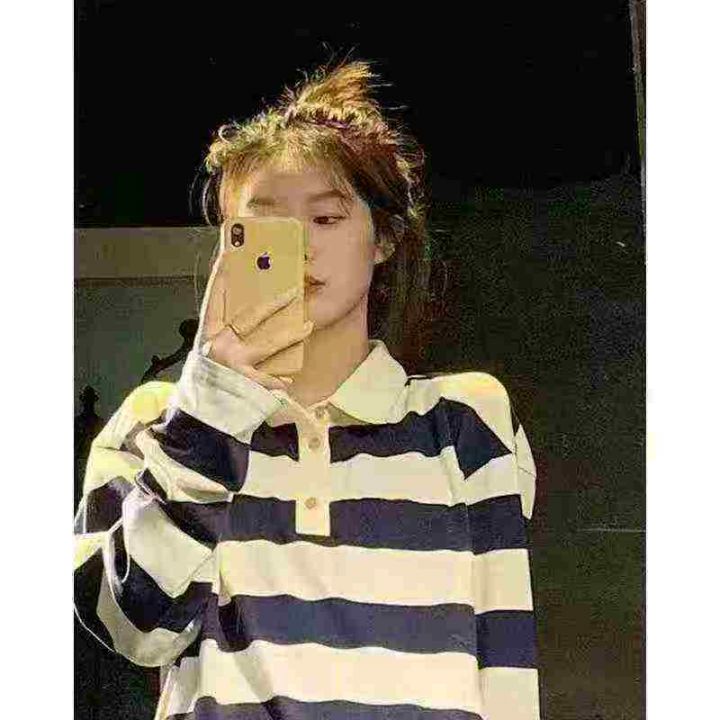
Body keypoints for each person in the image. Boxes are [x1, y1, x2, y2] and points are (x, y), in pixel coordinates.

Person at [74, 59, 540, 720]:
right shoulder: (156, 423)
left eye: (325, 218)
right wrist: (210, 415)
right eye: (265, 225)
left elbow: (506, 664)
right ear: (227, 244)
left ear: (384, 238)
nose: (297, 249)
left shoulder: (468, 422)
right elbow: (133, 631)